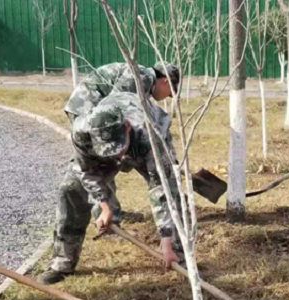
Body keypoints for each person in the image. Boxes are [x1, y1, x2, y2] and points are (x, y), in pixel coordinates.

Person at [39, 91, 182, 284]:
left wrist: (165, 239)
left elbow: (161, 190)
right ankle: (63, 261)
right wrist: (104, 206)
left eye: (119, 148)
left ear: (127, 129)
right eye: (110, 150)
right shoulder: (82, 132)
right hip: (106, 145)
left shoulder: (149, 136)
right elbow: (86, 171)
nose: (117, 157)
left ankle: (177, 254)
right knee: (71, 189)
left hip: (145, 139)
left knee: (172, 191)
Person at [64, 62, 180, 124]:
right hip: (86, 106)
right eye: (170, 92)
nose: (166, 97)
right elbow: (114, 105)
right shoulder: (144, 77)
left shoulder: (145, 79)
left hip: (84, 105)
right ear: (165, 82)